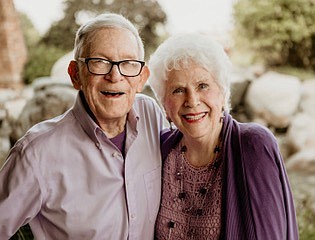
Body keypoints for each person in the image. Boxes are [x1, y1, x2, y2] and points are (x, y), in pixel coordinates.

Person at [0, 13, 164, 239]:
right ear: (75, 75)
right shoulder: (36, 153)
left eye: (127, 63)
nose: (115, 75)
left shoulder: (152, 116)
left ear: (141, 77)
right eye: (99, 62)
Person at [148, 33, 299, 240]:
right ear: (164, 104)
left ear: (223, 92)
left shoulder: (253, 145)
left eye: (202, 85)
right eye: (178, 90)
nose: (192, 101)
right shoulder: (161, 149)